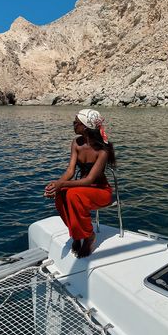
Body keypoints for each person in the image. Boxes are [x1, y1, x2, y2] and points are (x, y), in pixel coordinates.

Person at [44, 109, 116, 258]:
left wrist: (62, 185)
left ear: (86, 126)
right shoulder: (76, 143)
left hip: (101, 192)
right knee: (61, 195)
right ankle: (77, 235)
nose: (73, 124)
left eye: (76, 122)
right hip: (81, 189)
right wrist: (56, 185)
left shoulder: (102, 150)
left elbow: (89, 180)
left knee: (71, 194)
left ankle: (89, 236)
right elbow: (70, 171)